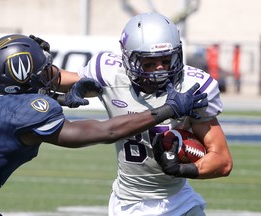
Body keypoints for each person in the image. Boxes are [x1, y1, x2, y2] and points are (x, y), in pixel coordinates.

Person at [0, 34, 208, 216]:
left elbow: (18, 102)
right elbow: (107, 131)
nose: (50, 74)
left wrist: (63, 98)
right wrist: (168, 110)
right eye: (42, 71)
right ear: (20, 76)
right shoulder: (22, 113)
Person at [63, 12, 233, 215]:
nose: (160, 69)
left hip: (179, 201)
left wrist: (182, 170)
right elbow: (56, 80)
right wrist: (36, 64)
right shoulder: (110, 74)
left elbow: (223, 161)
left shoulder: (191, 87)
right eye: (149, 63)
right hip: (128, 205)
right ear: (128, 59)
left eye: (166, 60)